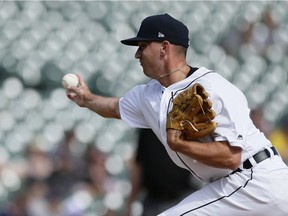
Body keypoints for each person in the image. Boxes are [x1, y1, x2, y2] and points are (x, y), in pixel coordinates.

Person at [66, 13, 288, 215]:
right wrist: (86, 99)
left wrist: (179, 144)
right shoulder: (149, 95)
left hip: (255, 179)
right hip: (233, 186)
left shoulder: (212, 86)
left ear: (164, 47)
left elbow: (231, 157)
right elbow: (115, 107)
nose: (137, 54)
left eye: (142, 45)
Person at [125, 129, 201, 216]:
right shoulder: (146, 129)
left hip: (182, 198)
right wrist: (130, 202)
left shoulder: (182, 126)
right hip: (153, 201)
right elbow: (139, 166)